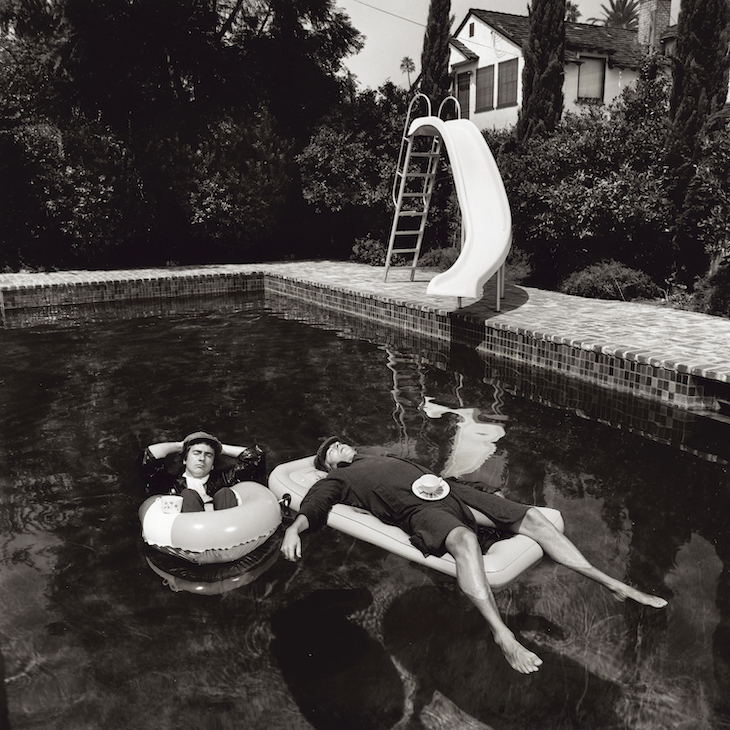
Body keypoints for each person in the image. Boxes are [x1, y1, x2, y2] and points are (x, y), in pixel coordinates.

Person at [281, 437, 668, 675]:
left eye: (337, 441)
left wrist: (477, 488)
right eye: (330, 450)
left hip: (451, 492)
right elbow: (314, 506)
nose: (338, 445)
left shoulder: (376, 456)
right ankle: (503, 635)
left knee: (531, 517)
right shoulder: (339, 480)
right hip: (420, 511)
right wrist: (294, 529)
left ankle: (609, 581)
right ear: (328, 466)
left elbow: (429, 473)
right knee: (464, 540)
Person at [142, 431, 265, 512]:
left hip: (227, 535)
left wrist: (220, 448)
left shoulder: (224, 479)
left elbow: (256, 457)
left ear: (212, 465)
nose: (202, 458)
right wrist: (181, 445)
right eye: (196, 453)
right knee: (188, 495)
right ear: (185, 459)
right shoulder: (169, 483)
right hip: (186, 538)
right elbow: (148, 457)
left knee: (225, 493)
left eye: (208, 455)